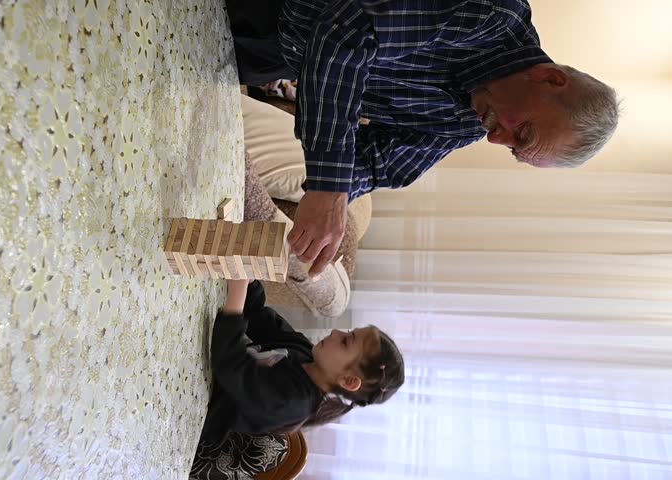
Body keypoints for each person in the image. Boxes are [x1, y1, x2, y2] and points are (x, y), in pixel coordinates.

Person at [227, 0, 621, 276]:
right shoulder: (490, 14)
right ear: (549, 78)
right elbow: (347, 30)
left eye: (514, 148)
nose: (496, 140)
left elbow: (382, 164)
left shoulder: (470, 122)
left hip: (276, 56)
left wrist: (331, 199)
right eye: (523, 132)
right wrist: (328, 186)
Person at [198, 279, 404, 447]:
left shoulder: (293, 402)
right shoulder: (306, 354)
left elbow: (231, 365)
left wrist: (238, 289)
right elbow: (258, 317)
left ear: (348, 380)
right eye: (348, 332)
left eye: (345, 341)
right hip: (204, 366)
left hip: (196, 408)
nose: (335, 332)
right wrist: (250, 284)